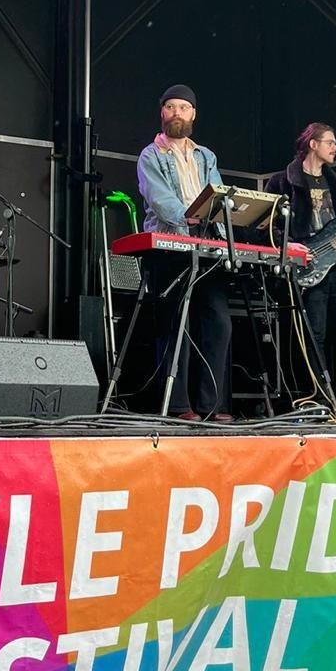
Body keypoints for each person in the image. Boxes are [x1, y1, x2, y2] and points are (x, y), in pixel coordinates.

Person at [265, 122, 336, 415]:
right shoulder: (282, 182)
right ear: (312, 144)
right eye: (330, 142)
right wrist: (289, 245)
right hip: (307, 265)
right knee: (313, 335)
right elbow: (267, 227)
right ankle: (314, 401)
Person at [136, 85, 232, 421]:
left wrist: (219, 219)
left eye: (184, 108)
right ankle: (178, 406)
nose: (178, 113)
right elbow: (160, 200)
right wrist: (190, 218)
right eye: (172, 107)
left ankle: (213, 405)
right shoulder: (150, 155)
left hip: (206, 245)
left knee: (219, 321)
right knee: (176, 324)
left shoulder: (206, 156)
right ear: (162, 112)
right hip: (171, 245)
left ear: (193, 114)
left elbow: (217, 193)